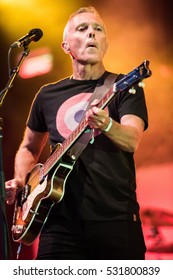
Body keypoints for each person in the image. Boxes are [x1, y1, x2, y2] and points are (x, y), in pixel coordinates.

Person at [5, 6, 148, 260]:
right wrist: (22, 183)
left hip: (115, 221)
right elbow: (28, 147)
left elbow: (132, 140)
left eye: (98, 29)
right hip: (58, 224)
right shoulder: (47, 95)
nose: (91, 34)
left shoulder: (124, 86)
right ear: (66, 46)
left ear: (106, 45)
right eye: (82, 29)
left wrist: (106, 125)